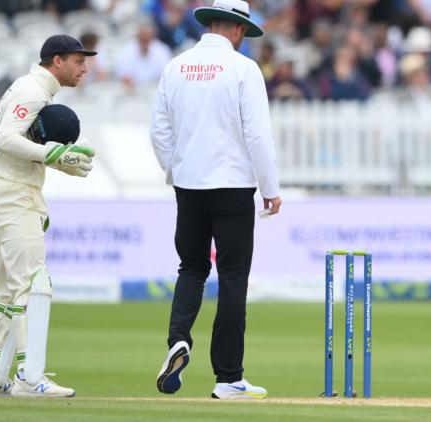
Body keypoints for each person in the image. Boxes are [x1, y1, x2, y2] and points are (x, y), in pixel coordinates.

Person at [151, 0, 281, 400]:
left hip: (189, 186)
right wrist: (270, 187)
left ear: (210, 24)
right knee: (233, 276)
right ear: (239, 30)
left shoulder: (175, 66)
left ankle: (178, 340)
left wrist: (177, 170)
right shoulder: (243, 69)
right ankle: (228, 377)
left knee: (191, 267)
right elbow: (257, 134)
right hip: (233, 186)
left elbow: (159, 131)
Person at [0, 34, 96, 398]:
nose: (84, 67)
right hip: (12, 196)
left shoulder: (31, 89)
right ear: (57, 61)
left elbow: (18, 146)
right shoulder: (32, 91)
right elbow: (6, 140)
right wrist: (53, 156)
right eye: (78, 60)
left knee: (8, 291)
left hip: (3, 190)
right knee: (32, 285)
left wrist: (59, 162)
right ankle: (29, 377)